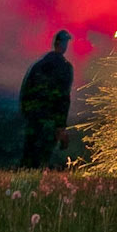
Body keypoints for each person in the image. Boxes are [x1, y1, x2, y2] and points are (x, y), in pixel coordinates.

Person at [19, 30, 74, 169]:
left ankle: (22, 186)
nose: (65, 45)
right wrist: (61, 126)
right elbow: (63, 97)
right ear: (58, 43)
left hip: (34, 119)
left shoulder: (38, 66)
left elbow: (26, 91)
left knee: (29, 156)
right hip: (50, 121)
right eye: (64, 42)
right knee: (43, 157)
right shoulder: (65, 67)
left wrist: (27, 114)